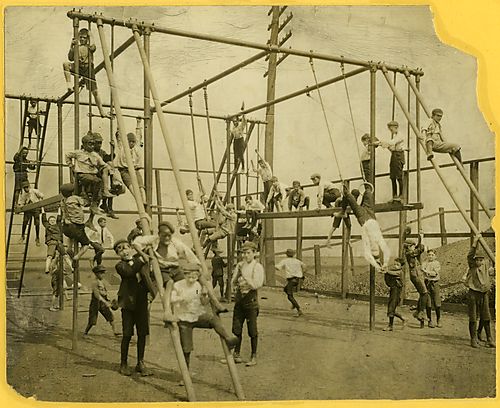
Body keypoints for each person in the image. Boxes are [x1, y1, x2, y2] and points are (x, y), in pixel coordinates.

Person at [132, 221, 227, 322]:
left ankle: (215, 301)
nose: (167, 238)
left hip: (176, 269)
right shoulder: (153, 240)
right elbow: (136, 242)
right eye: (164, 236)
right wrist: (143, 254)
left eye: (169, 235)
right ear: (159, 234)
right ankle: (168, 312)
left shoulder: (175, 243)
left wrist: (198, 268)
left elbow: (189, 254)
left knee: (197, 277)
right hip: (163, 270)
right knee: (169, 283)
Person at [171, 263, 238, 373]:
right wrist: (182, 298)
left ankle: (228, 338)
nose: (192, 279)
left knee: (212, 319)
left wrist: (204, 295)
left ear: (197, 276)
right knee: (186, 348)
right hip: (184, 318)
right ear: (185, 275)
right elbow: (172, 299)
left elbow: (202, 302)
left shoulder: (197, 286)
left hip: (196, 315)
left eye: (194, 277)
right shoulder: (179, 285)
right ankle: (185, 372)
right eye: (189, 277)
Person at [113, 239, 152, 376]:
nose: (124, 251)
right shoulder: (120, 266)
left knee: (142, 333)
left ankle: (140, 362)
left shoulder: (137, 260)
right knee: (127, 334)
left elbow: (147, 274)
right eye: (120, 249)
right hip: (128, 304)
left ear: (131, 248)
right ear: (118, 254)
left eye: (126, 248)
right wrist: (142, 259)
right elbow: (130, 272)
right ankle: (123, 363)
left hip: (141, 302)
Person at [339, 182, 390, 271]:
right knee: (368, 193)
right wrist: (385, 263)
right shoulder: (379, 240)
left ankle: (345, 196)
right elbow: (386, 251)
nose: (374, 247)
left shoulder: (367, 242)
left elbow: (368, 256)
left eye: (373, 250)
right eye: (376, 249)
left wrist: (377, 266)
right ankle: (365, 188)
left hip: (363, 218)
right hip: (371, 215)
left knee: (349, 196)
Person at [231, 241, 265, 366]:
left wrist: (245, 277)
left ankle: (253, 356)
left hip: (251, 301)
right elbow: (233, 282)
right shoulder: (240, 265)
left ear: (254, 253)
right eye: (243, 253)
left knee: (252, 330)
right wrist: (236, 277)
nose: (245, 255)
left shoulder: (258, 267)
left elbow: (257, 284)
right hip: (240, 300)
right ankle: (236, 354)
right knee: (236, 328)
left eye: (248, 253)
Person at [63, 28, 107, 117]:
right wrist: (71, 46)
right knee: (65, 64)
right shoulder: (76, 47)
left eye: (84, 38)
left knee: (95, 92)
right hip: (78, 68)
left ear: (87, 39)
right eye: (81, 38)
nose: (82, 39)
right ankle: (68, 85)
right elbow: (70, 58)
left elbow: (93, 47)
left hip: (88, 69)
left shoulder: (89, 47)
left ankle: (101, 110)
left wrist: (91, 36)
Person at [462, 234, 495, 348]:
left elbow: (493, 257)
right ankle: (473, 339)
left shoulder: (486, 265)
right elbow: (470, 255)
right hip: (473, 294)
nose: (479, 262)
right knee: (473, 316)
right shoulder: (472, 266)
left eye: (481, 260)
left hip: (484, 293)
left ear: (484, 260)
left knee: (486, 316)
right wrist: (475, 242)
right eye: (477, 260)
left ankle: (489, 338)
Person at [59, 183, 104, 265]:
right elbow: (86, 203)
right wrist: (86, 197)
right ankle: (77, 257)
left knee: (72, 236)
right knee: (86, 244)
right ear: (72, 192)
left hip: (65, 227)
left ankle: (69, 248)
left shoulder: (62, 201)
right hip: (76, 226)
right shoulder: (74, 198)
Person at [65, 133, 107, 215]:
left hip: (92, 175)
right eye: (89, 144)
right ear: (83, 145)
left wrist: (108, 168)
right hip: (82, 175)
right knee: (97, 181)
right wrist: (71, 165)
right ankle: (93, 205)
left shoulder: (95, 155)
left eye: (93, 144)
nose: (92, 146)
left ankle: (92, 202)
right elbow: (67, 155)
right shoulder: (78, 153)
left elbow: (103, 164)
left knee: (98, 186)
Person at [84, 265, 120, 336]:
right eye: (101, 273)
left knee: (110, 316)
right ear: (96, 274)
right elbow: (96, 295)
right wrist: (105, 302)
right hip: (96, 303)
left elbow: (104, 292)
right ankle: (86, 332)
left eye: (103, 273)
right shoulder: (95, 282)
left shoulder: (102, 282)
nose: (103, 275)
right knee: (92, 319)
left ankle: (114, 331)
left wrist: (108, 300)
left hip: (103, 302)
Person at [403, 229, 428, 328]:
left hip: (418, 275)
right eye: (412, 245)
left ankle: (419, 312)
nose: (414, 247)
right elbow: (419, 249)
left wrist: (420, 237)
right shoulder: (409, 253)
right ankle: (420, 312)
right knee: (424, 294)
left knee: (423, 294)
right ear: (409, 247)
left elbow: (418, 248)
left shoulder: (411, 251)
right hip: (415, 276)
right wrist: (421, 238)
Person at [113, 131, 146, 203]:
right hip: (125, 170)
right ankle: (138, 200)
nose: (131, 143)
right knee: (131, 186)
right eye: (129, 141)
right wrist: (119, 126)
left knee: (141, 186)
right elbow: (119, 136)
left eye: (133, 142)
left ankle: (144, 200)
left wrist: (138, 123)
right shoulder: (122, 147)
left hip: (135, 170)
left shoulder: (136, 148)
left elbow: (138, 136)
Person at [376, 121, 405, 202]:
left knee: (399, 176)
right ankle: (395, 196)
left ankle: (401, 195)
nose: (390, 131)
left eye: (391, 129)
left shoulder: (400, 135)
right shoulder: (396, 136)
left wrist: (380, 142)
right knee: (392, 176)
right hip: (394, 155)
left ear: (395, 127)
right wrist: (382, 144)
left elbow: (391, 143)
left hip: (399, 156)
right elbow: (391, 146)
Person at [41, 207, 73, 274]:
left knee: (65, 255)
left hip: (59, 242)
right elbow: (44, 220)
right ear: (49, 222)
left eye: (53, 220)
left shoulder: (58, 225)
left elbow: (59, 217)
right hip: (52, 242)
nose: (52, 221)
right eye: (51, 220)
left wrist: (59, 208)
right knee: (50, 256)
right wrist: (42, 209)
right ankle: (47, 268)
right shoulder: (47, 226)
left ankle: (72, 267)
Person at [275, 249, 306, 317]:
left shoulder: (285, 260)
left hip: (291, 280)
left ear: (286, 254)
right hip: (297, 280)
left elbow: (278, 268)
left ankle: (299, 309)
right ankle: (294, 304)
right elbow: (304, 266)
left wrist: (274, 266)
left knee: (289, 296)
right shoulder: (297, 261)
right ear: (294, 254)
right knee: (285, 289)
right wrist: (302, 273)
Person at [381, 258, 406, 331]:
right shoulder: (393, 271)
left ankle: (390, 326)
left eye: (397, 265)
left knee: (391, 308)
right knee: (391, 308)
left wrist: (386, 271)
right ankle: (402, 318)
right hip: (393, 291)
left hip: (397, 292)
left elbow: (392, 273)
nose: (395, 266)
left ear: (401, 266)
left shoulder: (400, 272)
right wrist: (384, 270)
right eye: (394, 264)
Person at [16, 180, 44, 245]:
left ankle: (37, 238)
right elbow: (22, 203)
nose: (26, 189)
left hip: (35, 208)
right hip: (28, 209)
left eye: (27, 187)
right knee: (25, 221)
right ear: (23, 188)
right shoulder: (24, 195)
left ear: (29, 186)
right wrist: (20, 207)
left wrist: (40, 202)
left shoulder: (34, 191)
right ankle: (22, 236)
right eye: (25, 188)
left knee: (37, 223)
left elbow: (42, 195)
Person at [422, 248, 442, 328]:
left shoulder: (437, 263)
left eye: (432, 255)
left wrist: (426, 272)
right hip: (427, 283)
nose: (430, 256)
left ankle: (438, 319)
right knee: (428, 303)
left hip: (435, 283)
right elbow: (422, 271)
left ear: (435, 256)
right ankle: (430, 320)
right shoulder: (424, 263)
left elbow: (434, 274)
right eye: (429, 255)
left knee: (437, 302)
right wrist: (426, 272)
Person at [100, 153, 124, 219]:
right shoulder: (105, 166)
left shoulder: (111, 167)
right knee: (107, 190)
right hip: (101, 179)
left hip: (108, 181)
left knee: (112, 191)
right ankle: (106, 206)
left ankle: (107, 207)